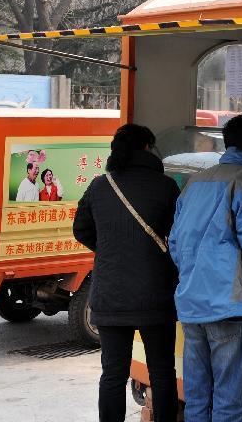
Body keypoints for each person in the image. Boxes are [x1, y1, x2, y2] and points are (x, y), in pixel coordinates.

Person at [169, 114, 242, 421]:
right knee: (231, 400)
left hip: (191, 303)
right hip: (227, 305)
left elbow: (175, 242)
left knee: (198, 396)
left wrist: (193, 276)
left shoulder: (195, 181)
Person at [73, 124, 180, 422]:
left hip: (111, 294)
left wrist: (108, 248)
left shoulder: (99, 186)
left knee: (113, 374)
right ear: (147, 148)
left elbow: (80, 229)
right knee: (161, 372)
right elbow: (179, 236)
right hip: (155, 294)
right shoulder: (166, 187)